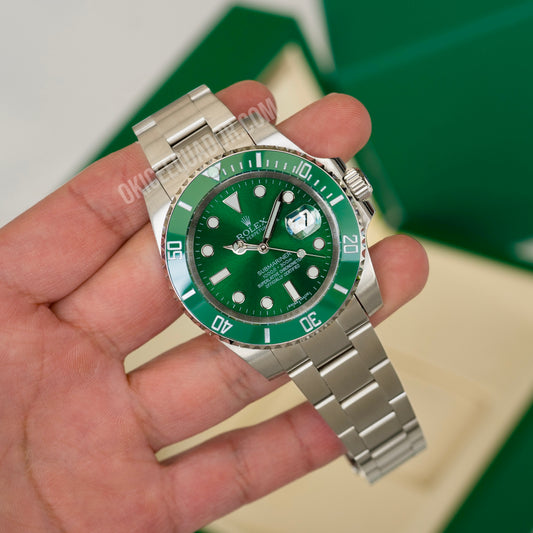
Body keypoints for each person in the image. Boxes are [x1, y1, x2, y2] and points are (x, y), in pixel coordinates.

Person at [0, 81, 428, 532]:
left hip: (311, 287)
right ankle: (388, 444)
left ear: (349, 190)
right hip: (290, 300)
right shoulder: (180, 224)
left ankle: (390, 441)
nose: (262, 248)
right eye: (255, 247)